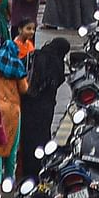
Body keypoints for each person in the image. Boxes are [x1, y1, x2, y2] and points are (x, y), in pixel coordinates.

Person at [19, 38, 71, 180]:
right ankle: (41, 165)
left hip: (29, 103)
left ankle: (27, 170)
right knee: (42, 135)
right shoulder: (57, 63)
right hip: (45, 107)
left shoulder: (36, 55)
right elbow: (59, 80)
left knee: (28, 136)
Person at [0, 39, 28, 182]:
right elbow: (24, 89)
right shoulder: (17, 66)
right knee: (11, 147)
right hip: (12, 111)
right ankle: (9, 179)